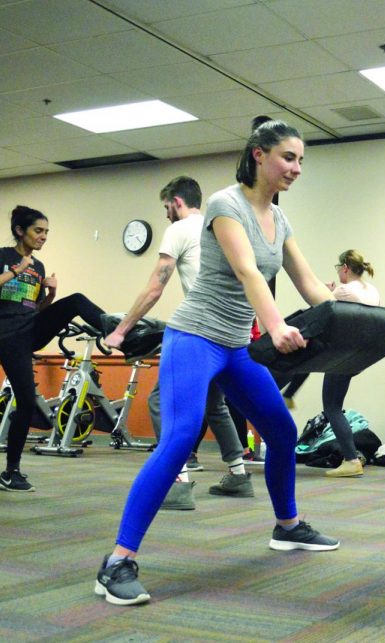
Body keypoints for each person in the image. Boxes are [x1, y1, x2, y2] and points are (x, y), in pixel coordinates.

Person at [95, 116, 340, 606]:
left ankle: (287, 525)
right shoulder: (225, 205)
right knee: (181, 437)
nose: (296, 168)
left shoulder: (281, 219)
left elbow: (309, 282)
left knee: (282, 432)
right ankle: (116, 562)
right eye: (288, 157)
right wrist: (274, 327)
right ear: (259, 155)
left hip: (235, 345)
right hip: (195, 336)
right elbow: (249, 272)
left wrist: (350, 311)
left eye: (301, 160)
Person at [105, 176, 253, 509]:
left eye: (165, 207)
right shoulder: (223, 225)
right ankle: (239, 475)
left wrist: (121, 330)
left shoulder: (181, 229)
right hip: (233, 329)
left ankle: (178, 479)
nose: (166, 214)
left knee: (161, 401)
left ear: (177, 202)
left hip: (202, 330)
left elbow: (155, 287)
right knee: (215, 405)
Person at [0, 205, 106, 492]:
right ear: (20, 231)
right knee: (26, 402)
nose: (43, 237)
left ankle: (118, 331)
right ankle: (11, 472)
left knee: (75, 300)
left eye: (47, 232)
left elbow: (34, 309)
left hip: (30, 328)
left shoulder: (39, 266)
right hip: (7, 334)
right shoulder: (1, 256)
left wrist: (52, 295)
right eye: (38, 230)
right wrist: (14, 272)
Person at [321, 249, 381, 478]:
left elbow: (319, 308)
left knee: (332, 407)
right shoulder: (372, 290)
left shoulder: (345, 290)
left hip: (343, 355)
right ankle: (351, 457)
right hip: (360, 355)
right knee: (335, 404)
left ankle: (351, 459)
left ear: (344, 267)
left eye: (338, 268)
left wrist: (328, 292)